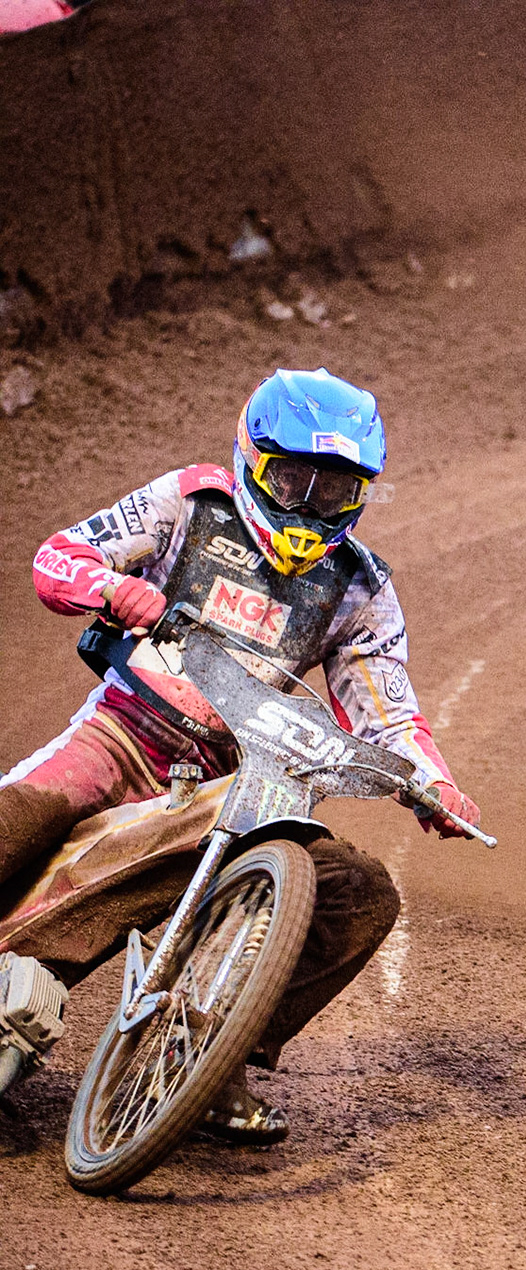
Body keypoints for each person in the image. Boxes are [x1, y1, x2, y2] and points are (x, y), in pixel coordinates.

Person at [0, 368, 481, 1141]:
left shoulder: (360, 587)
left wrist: (434, 783)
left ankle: (205, 1059)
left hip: (247, 782)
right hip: (125, 735)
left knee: (358, 892)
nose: (307, 505)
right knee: (18, 814)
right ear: (254, 460)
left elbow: (387, 709)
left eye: (333, 491)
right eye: (293, 478)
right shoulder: (190, 503)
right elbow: (57, 558)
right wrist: (111, 589)